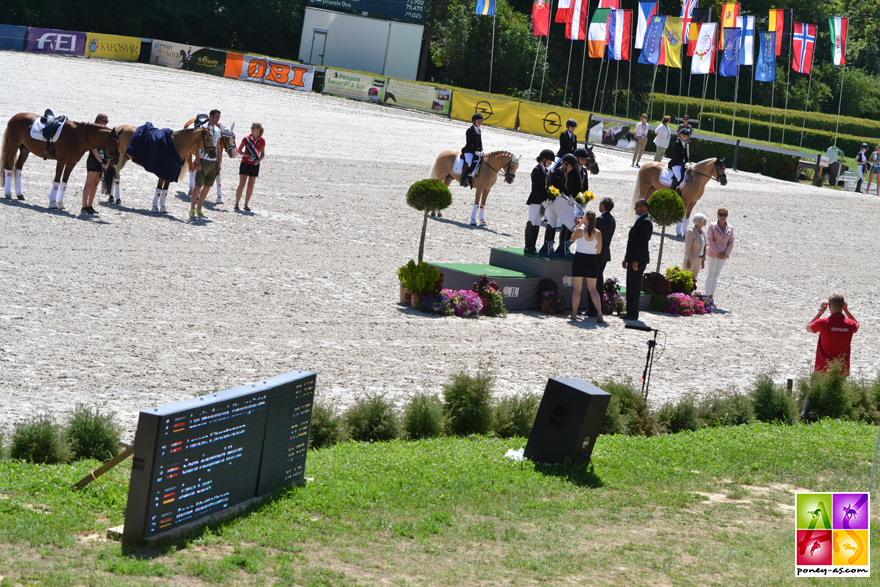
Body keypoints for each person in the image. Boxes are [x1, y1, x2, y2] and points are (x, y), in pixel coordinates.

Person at [539, 154, 581, 258]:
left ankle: (550, 246)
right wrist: (569, 195)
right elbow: (560, 185)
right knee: (552, 222)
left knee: (554, 223)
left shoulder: (566, 172)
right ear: (566, 163)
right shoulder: (559, 171)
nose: (572, 169)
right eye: (571, 166)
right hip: (552, 199)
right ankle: (547, 246)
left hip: (558, 199)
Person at [807, 292, 859, 374]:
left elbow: (808, 327)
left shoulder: (823, 323)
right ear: (843, 306)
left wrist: (821, 311)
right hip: (842, 369)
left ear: (829, 306)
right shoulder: (850, 324)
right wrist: (846, 310)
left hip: (822, 368)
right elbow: (857, 325)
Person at [621, 199, 653, 320]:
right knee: (630, 285)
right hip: (632, 258)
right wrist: (626, 258)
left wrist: (636, 261)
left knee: (634, 286)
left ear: (644, 208)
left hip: (638, 260)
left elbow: (642, 244)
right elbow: (632, 242)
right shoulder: (640, 220)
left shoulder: (646, 222)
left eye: (637, 206)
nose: (635, 209)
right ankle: (629, 311)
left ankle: (633, 313)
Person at [570, 211, 604, 323]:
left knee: (577, 290)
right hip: (591, 260)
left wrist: (580, 224)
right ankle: (599, 312)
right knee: (593, 289)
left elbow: (572, 238)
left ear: (586, 219)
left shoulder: (580, 230)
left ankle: (574, 314)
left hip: (580, 259)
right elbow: (598, 251)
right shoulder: (598, 233)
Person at [190, 109, 223, 218]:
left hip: (213, 163)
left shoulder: (217, 131)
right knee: (198, 186)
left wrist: (219, 163)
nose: (217, 120)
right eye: (216, 117)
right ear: (211, 116)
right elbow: (196, 146)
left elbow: (218, 148)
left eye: (219, 118)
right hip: (203, 160)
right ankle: (192, 209)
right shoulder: (202, 129)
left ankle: (199, 208)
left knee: (208, 186)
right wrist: (198, 162)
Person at [585, 198, 615, 317]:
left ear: (604, 205)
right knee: (599, 281)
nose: (599, 205)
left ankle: (593, 309)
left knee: (593, 283)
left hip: (596, 254)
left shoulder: (601, 219)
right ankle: (597, 308)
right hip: (604, 253)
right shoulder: (612, 219)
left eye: (600, 203)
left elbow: (590, 232)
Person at [525, 149, 554, 255]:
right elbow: (535, 189)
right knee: (532, 222)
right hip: (535, 200)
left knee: (537, 224)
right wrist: (542, 201)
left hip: (541, 201)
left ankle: (532, 246)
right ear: (544, 159)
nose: (551, 163)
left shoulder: (545, 171)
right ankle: (528, 246)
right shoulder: (537, 170)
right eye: (549, 161)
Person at [81, 113, 109, 215]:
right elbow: (93, 149)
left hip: (102, 160)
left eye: (107, 121)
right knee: (89, 183)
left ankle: (90, 205)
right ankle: (84, 206)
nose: (106, 123)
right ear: (98, 120)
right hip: (94, 160)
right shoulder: (94, 132)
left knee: (96, 183)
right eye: (104, 121)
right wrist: (101, 162)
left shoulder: (105, 132)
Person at [704, 207, 734, 300]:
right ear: (717, 215)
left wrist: (725, 254)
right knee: (710, 275)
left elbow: (731, 242)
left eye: (725, 215)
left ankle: (711, 295)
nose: (722, 217)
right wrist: (717, 252)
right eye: (720, 214)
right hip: (712, 254)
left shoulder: (730, 228)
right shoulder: (712, 226)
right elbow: (710, 240)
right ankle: (707, 295)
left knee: (716, 276)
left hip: (723, 255)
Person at [235, 122, 265, 212]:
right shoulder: (246, 138)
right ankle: (236, 204)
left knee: (251, 185)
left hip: (255, 164)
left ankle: (246, 204)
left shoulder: (262, 141)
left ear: (258, 129)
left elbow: (263, 154)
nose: (251, 129)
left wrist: (259, 160)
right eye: (251, 127)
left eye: (253, 127)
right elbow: (239, 150)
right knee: (242, 183)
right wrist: (246, 155)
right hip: (245, 163)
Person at [682, 212, 708, 281]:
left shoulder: (703, 233)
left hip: (699, 259)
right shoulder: (691, 232)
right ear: (699, 221)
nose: (706, 221)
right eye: (704, 220)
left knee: (694, 279)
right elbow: (688, 247)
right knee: (685, 278)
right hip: (691, 259)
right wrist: (688, 260)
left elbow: (704, 246)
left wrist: (702, 260)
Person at [460, 113, 483, 189]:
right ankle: (463, 179)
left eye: (481, 121)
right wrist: (475, 152)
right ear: (473, 121)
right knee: (469, 162)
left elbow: (480, 142)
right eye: (478, 121)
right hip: (469, 151)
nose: (480, 123)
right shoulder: (470, 130)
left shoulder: (479, 131)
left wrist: (481, 150)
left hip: (477, 151)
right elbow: (469, 143)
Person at [668, 127, 692, 192]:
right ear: (680, 135)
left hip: (682, 164)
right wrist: (683, 164)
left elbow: (686, 156)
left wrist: (689, 163)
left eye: (685, 136)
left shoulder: (685, 144)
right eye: (683, 135)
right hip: (675, 163)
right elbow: (676, 156)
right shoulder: (676, 143)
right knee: (679, 177)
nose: (684, 137)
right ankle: (671, 190)